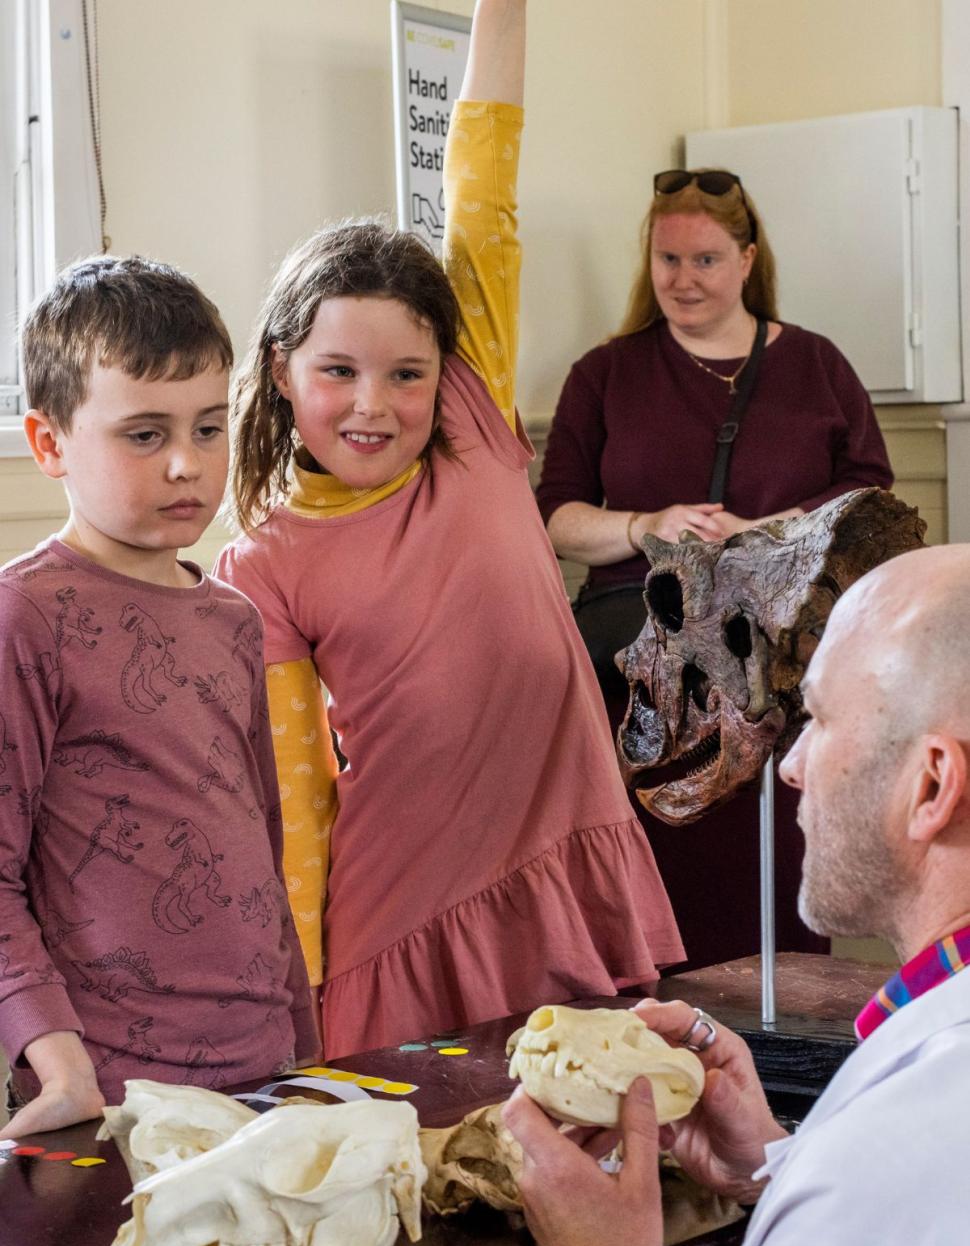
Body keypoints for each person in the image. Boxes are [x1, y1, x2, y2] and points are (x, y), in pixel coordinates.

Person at [214, 0, 684, 1060]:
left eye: (405, 374)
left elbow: (481, 177)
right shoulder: (262, 562)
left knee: (589, 1119)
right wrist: (304, 979)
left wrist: (502, 9)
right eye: (337, 372)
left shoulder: (473, 419)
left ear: (448, 372)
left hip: (559, 846)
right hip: (405, 902)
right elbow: (296, 799)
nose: (372, 404)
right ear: (283, 373)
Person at [504, 543, 970, 1246]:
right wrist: (775, 1163)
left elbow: (887, 1199)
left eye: (817, 716)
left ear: (932, 785)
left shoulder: (889, 1169)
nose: (790, 764)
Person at [535, 170, 894, 971]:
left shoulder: (816, 364)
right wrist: (646, 525)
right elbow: (555, 513)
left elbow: (868, 494)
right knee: (658, 880)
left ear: (746, 259)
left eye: (704, 259)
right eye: (668, 259)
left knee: (771, 875)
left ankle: (782, 1050)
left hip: (776, 666)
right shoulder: (607, 373)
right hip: (642, 676)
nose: (683, 279)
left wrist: (765, 532)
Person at [0, 256, 318, 1138]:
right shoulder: (22, 615)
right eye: (144, 435)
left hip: (264, 1075)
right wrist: (58, 1065)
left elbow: (262, 839)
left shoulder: (234, 618)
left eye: (209, 428)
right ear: (50, 443)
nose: (188, 464)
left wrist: (302, 1041)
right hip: (112, 1094)